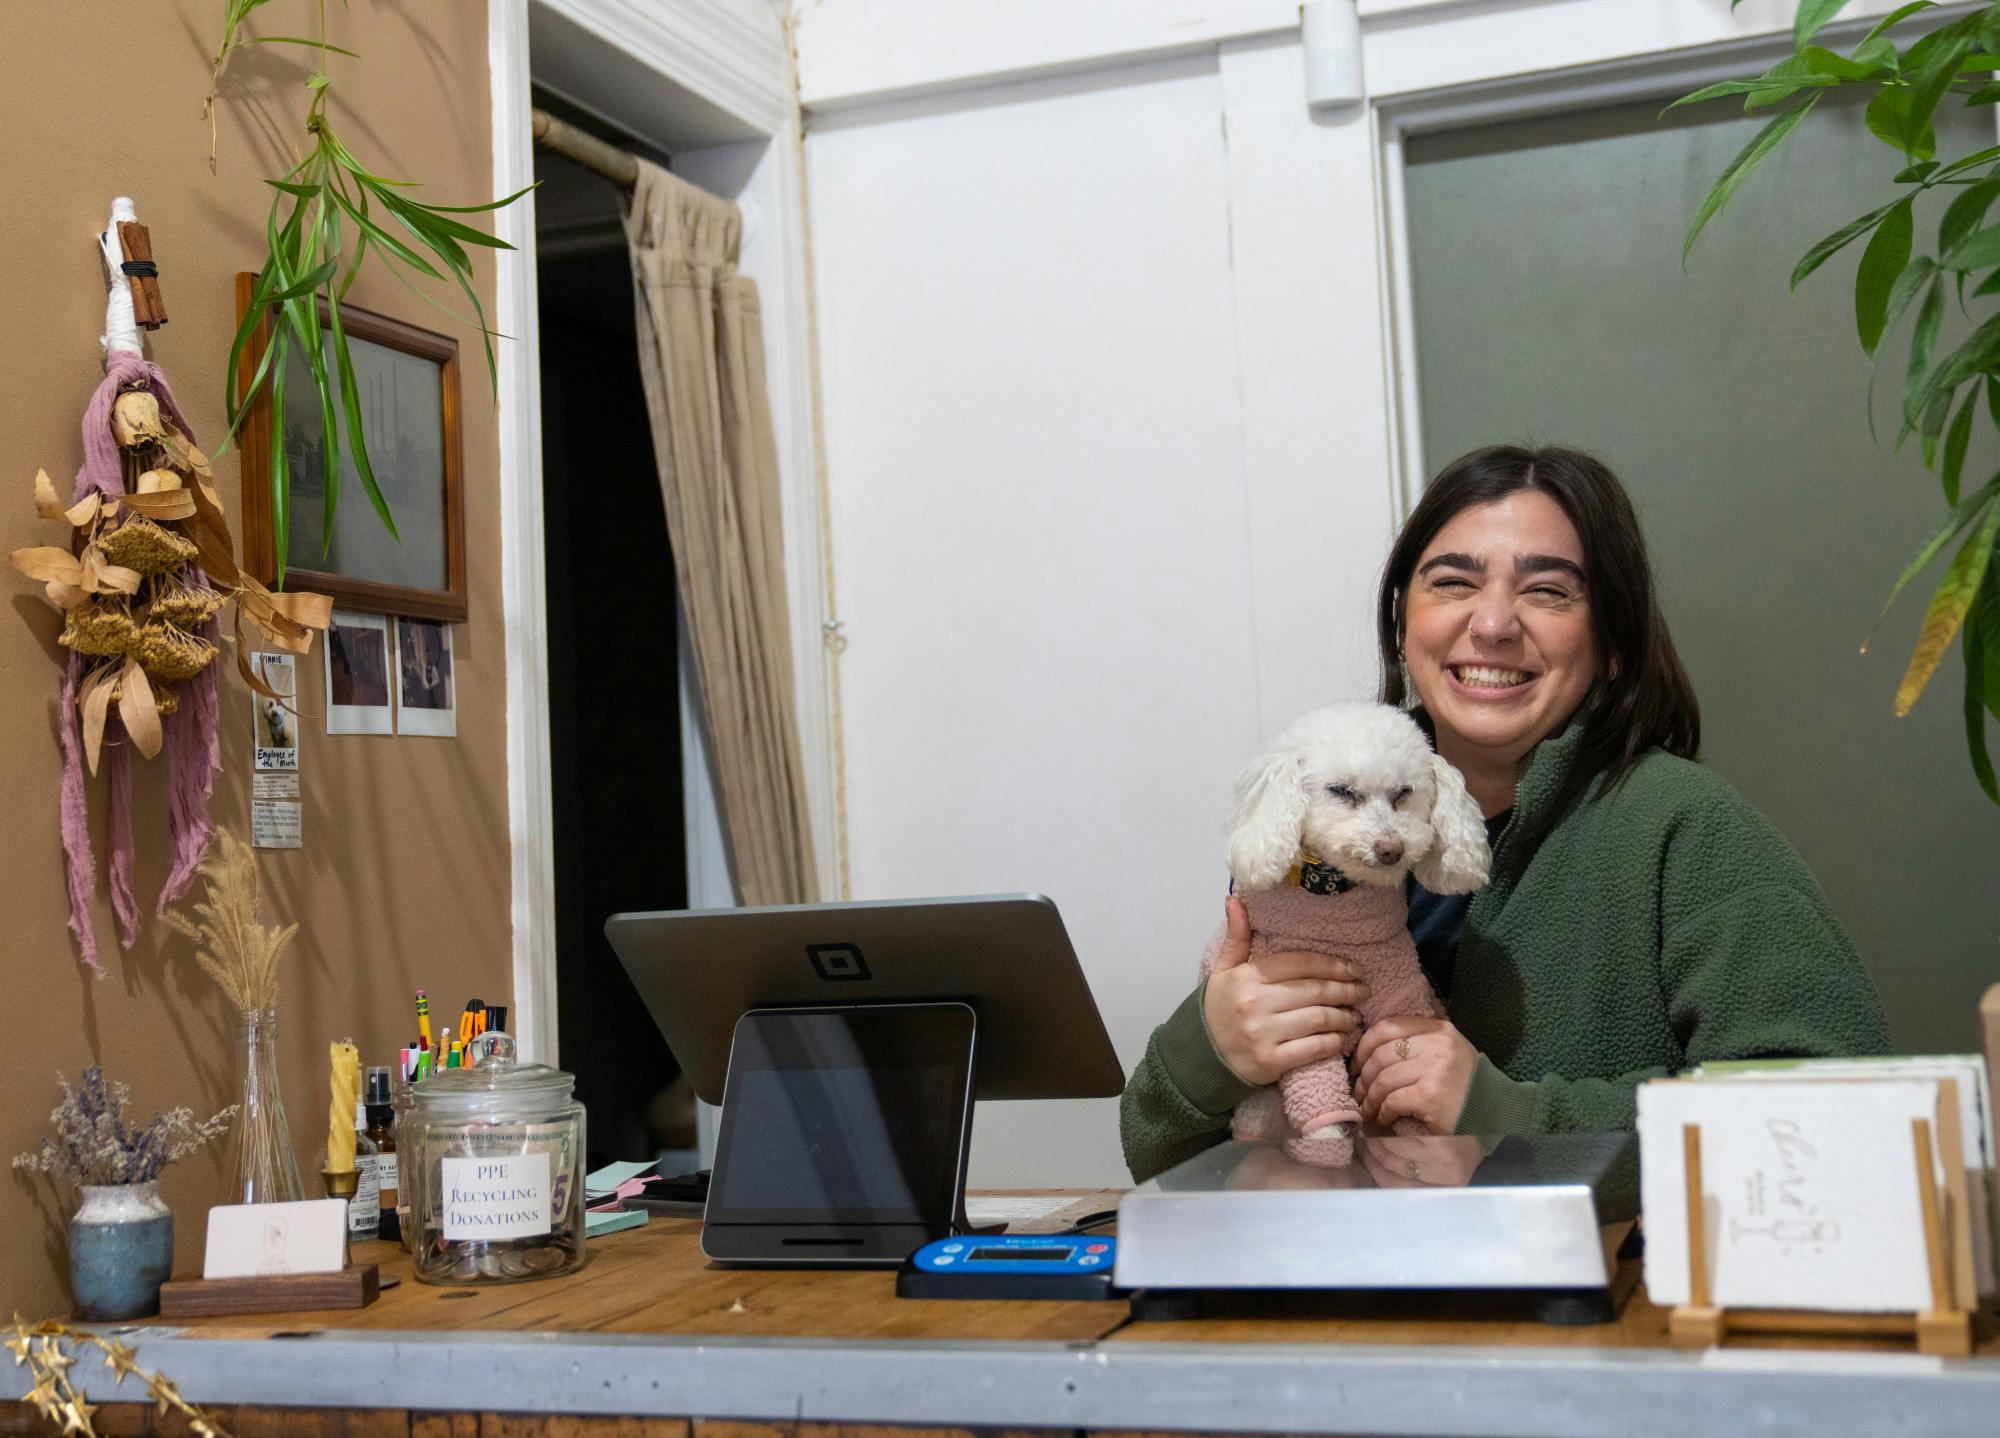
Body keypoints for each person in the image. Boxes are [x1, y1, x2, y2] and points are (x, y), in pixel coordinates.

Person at [1119, 444, 1889, 1182]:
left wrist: (1510, 1116)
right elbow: (1157, 1158)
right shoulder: (1311, 828)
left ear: (1612, 642)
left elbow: (1833, 1113)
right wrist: (1207, 1053)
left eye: (1547, 590)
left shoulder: (1686, 829)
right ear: (1401, 622)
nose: (1492, 624)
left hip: (1596, 1310)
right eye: (1452, 582)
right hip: (1333, 1298)